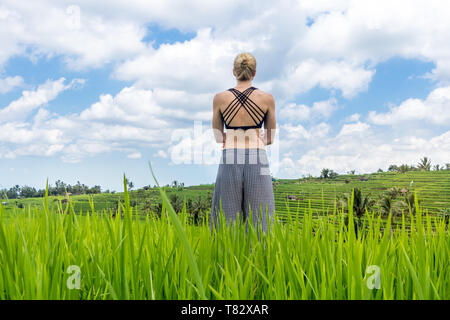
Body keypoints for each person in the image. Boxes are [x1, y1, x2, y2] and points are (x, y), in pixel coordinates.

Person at [210, 52, 276, 235]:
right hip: (258, 157)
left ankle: (226, 261)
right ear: (254, 73)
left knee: (226, 219)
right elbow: (270, 138)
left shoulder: (220, 98)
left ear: (234, 72)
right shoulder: (267, 98)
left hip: (230, 156)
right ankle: (260, 261)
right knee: (261, 219)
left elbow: (217, 137)